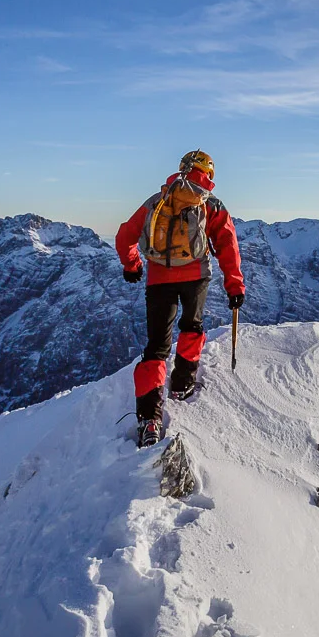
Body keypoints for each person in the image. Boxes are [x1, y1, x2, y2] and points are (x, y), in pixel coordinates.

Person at [116, 150, 245, 446]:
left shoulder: (157, 201)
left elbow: (125, 235)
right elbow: (227, 245)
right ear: (208, 174)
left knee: (157, 347)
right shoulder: (211, 204)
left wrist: (132, 265)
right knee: (192, 326)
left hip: (158, 278)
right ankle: (183, 384)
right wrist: (235, 286)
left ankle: (149, 419)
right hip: (196, 277)